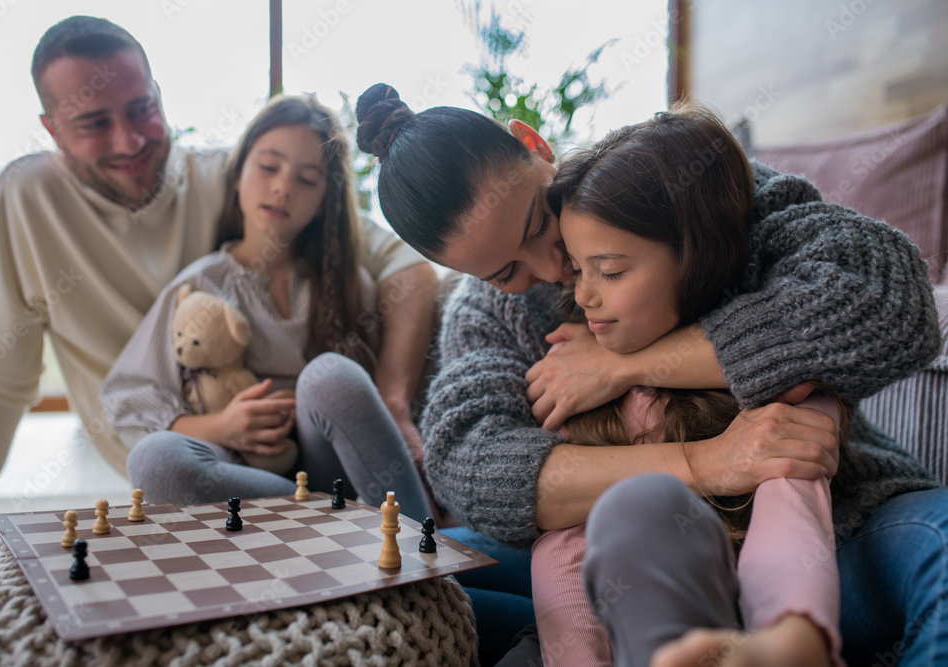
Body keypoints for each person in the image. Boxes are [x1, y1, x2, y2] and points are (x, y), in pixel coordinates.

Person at [354, 82, 945, 666]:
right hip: (627, 560)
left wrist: (624, 363)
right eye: (506, 271)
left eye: (539, 223)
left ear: (534, 145)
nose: (553, 267)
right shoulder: (488, 315)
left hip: (833, 528)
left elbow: (887, 301)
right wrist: (711, 462)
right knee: (404, 590)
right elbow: (469, 461)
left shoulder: (666, 183)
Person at [0, 18, 437, 557]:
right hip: (205, 466)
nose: (129, 140)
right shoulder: (26, 200)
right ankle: (344, 529)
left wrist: (393, 402)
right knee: (160, 459)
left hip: (322, 448)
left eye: (141, 109)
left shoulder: (231, 175)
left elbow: (402, 264)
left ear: (159, 95)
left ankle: (413, 552)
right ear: (52, 129)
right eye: (92, 122)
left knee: (331, 377)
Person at [529, 106, 844, 667]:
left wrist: (796, 634)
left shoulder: (771, 381)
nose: (583, 296)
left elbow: (793, 512)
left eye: (612, 271)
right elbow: (562, 555)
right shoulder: (577, 380)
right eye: (578, 269)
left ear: (695, 260)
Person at [100, 95, 433, 521]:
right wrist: (224, 426)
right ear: (238, 173)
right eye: (269, 167)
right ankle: (328, 524)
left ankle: (423, 553)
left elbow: (363, 416)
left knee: (330, 377)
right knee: (154, 460)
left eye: (307, 179)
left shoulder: (348, 284)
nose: (283, 188)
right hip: (244, 472)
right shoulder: (200, 285)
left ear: (322, 203)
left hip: (337, 471)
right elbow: (129, 401)